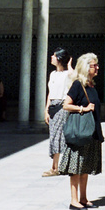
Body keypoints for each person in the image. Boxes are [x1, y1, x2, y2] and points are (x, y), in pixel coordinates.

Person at [59, 53, 104, 210]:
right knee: (76, 168)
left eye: (97, 65)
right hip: (79, 132)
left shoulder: (91, 85)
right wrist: (82, 109)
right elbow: (66, 105)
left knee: (85, 167)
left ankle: (84, 198)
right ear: (86, 68)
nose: (97, 67)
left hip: (91, 132)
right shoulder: (78, 85)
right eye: (94, 65)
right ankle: (74, 200)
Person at [43, 48, 73, 176]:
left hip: (62, 106)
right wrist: (46, 109)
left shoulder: (67, 74)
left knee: (58, 137)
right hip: (53, 106)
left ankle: (55, 168)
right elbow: (50, 93)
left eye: (54, 56)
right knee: (54, 136)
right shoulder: (53, 74)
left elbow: (75, 76)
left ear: (60, 59)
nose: (51, 57)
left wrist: (70, 65)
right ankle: (56, 166)